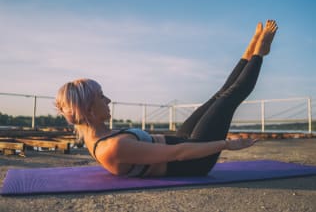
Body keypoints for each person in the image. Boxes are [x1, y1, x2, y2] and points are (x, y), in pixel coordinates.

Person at [56, 20, 278, 177]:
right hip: (195, 161)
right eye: (101, 96)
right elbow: (178, 154)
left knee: (219, 95)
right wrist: (228, 144)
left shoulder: (94, 134)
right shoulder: (111, 148)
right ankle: (259, 54)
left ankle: (250, 53)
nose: (109, 100)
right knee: (230, 96)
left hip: (184, 141)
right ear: (90, 111)